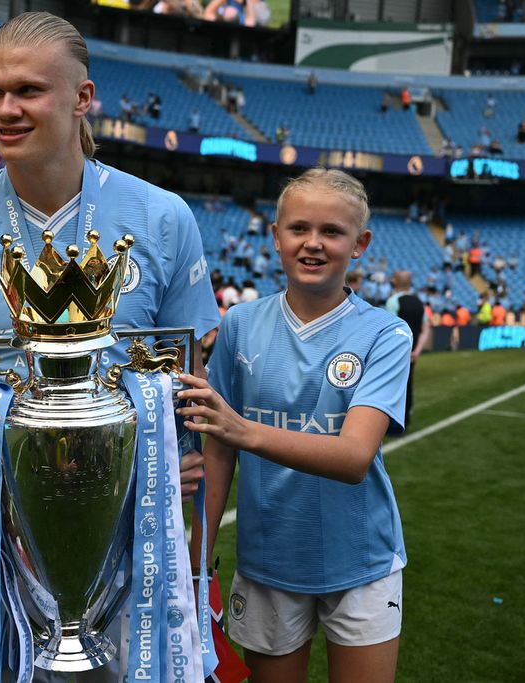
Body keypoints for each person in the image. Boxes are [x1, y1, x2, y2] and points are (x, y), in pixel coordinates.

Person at [0, 13, 220, 680]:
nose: (5, 108)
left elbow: (191, 384)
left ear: (82, 98)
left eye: (28, 90)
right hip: (1, 545)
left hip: (138, 537)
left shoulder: (163, 220)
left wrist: (186, 454)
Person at [180, 168, 411, 683]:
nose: (313, 243)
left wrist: (245, 430)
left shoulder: (386, 332)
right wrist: (197, 555)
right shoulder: (240, 324)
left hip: (362, 560)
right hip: (268, 562)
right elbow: (218, 451)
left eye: (332, 232)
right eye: (299, 228)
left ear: (360, 244)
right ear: (276, 236)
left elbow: (353, 458)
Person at [386, 270, 430, 429]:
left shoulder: (393, 301)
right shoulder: (419, 302)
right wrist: (417, 350)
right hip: (412, 353)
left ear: (395, 281)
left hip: (397, 352)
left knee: (393, 386)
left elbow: (391, 330)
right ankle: (405, 420)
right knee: (408, 383)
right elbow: (425, 329)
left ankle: (393, 422)